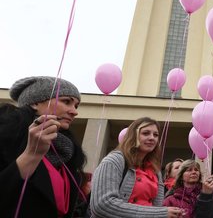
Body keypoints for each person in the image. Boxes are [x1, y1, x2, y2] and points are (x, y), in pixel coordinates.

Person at [0, 76, 86, 217]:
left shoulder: (68, 152)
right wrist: (31, 155)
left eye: (76, 106)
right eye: (66, 101)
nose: (74, 111)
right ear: (35, 103)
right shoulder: (6, 136)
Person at [90, 117, 184, 218]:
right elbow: (102, 205)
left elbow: (157, 206)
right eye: (146, 133)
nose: (152, 138)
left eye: (155, 135)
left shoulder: (155, 171)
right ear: (133, 135)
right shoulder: (114, 161)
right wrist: (161, 213)